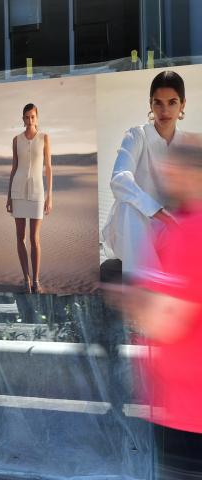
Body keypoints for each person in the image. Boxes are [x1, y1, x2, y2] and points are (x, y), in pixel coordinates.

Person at [105, 136, 202, 475]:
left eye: (177, 166)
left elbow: (168, 320)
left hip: (189, 412)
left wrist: (127, 297)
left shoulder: (190, 232)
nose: (167, 172)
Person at [102, 70, 186, 275]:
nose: (164, 110)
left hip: (168, 233)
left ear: (182, 105)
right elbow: (119, 179)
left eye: (172, 102)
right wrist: (159, 212)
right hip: (130, 229)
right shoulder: (136, 135)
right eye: (158, 102)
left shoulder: (185, 145)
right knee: (129, 205)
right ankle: (143, 288)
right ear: (150, 104)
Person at [6, 103, 53, 293]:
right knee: (20, 237)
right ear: (23, 118)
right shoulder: (16, 140)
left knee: (35, 238)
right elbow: (14, 168)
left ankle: (36, 280)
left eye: (32, 117)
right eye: (26, 117)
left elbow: (48, 167)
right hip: (18, 191)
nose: (29, 120)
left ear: (37, 118)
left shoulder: (45, 138)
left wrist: (50, 196)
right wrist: (9, 195)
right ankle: (26, 279)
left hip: (37, 191)